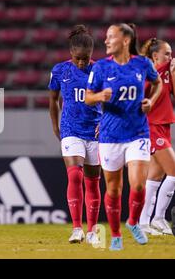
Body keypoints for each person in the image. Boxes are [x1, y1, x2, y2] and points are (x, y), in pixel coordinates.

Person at [85, 23, 162, 251]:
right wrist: (100, 95)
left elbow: (157, 84)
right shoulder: (100, 68)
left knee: (138, 185)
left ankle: (133, 222)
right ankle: (116, 234)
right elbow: (88, 98)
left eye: (111, 37)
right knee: (114, 189)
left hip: (138, 132)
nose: (106, 41)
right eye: (106, 37)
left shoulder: (142, 63)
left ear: (125, 40)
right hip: (110, 136)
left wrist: (151, 101)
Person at [48, 25, 102, 244]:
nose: (82, 63)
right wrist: (55, 125)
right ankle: (77, 229)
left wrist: (106, 122)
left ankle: (92, 232)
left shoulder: (100, 70)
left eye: (86, 59)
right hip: (71, 129)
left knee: (92, 182)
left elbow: (112, 99)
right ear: (71, 54)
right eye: (78, 58)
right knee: (74, 175)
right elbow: (52, 99)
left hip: (96, 131)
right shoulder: (60, 70)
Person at [138, 38, 175, 235]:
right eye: (167, 53)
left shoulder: (168, 72)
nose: (171, 57)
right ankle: (159, 218)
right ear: (155, 56)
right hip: (152, 127)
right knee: (174, 172)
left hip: (164, 125)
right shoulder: (148, 74)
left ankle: (144, 222)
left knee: (155, 177)